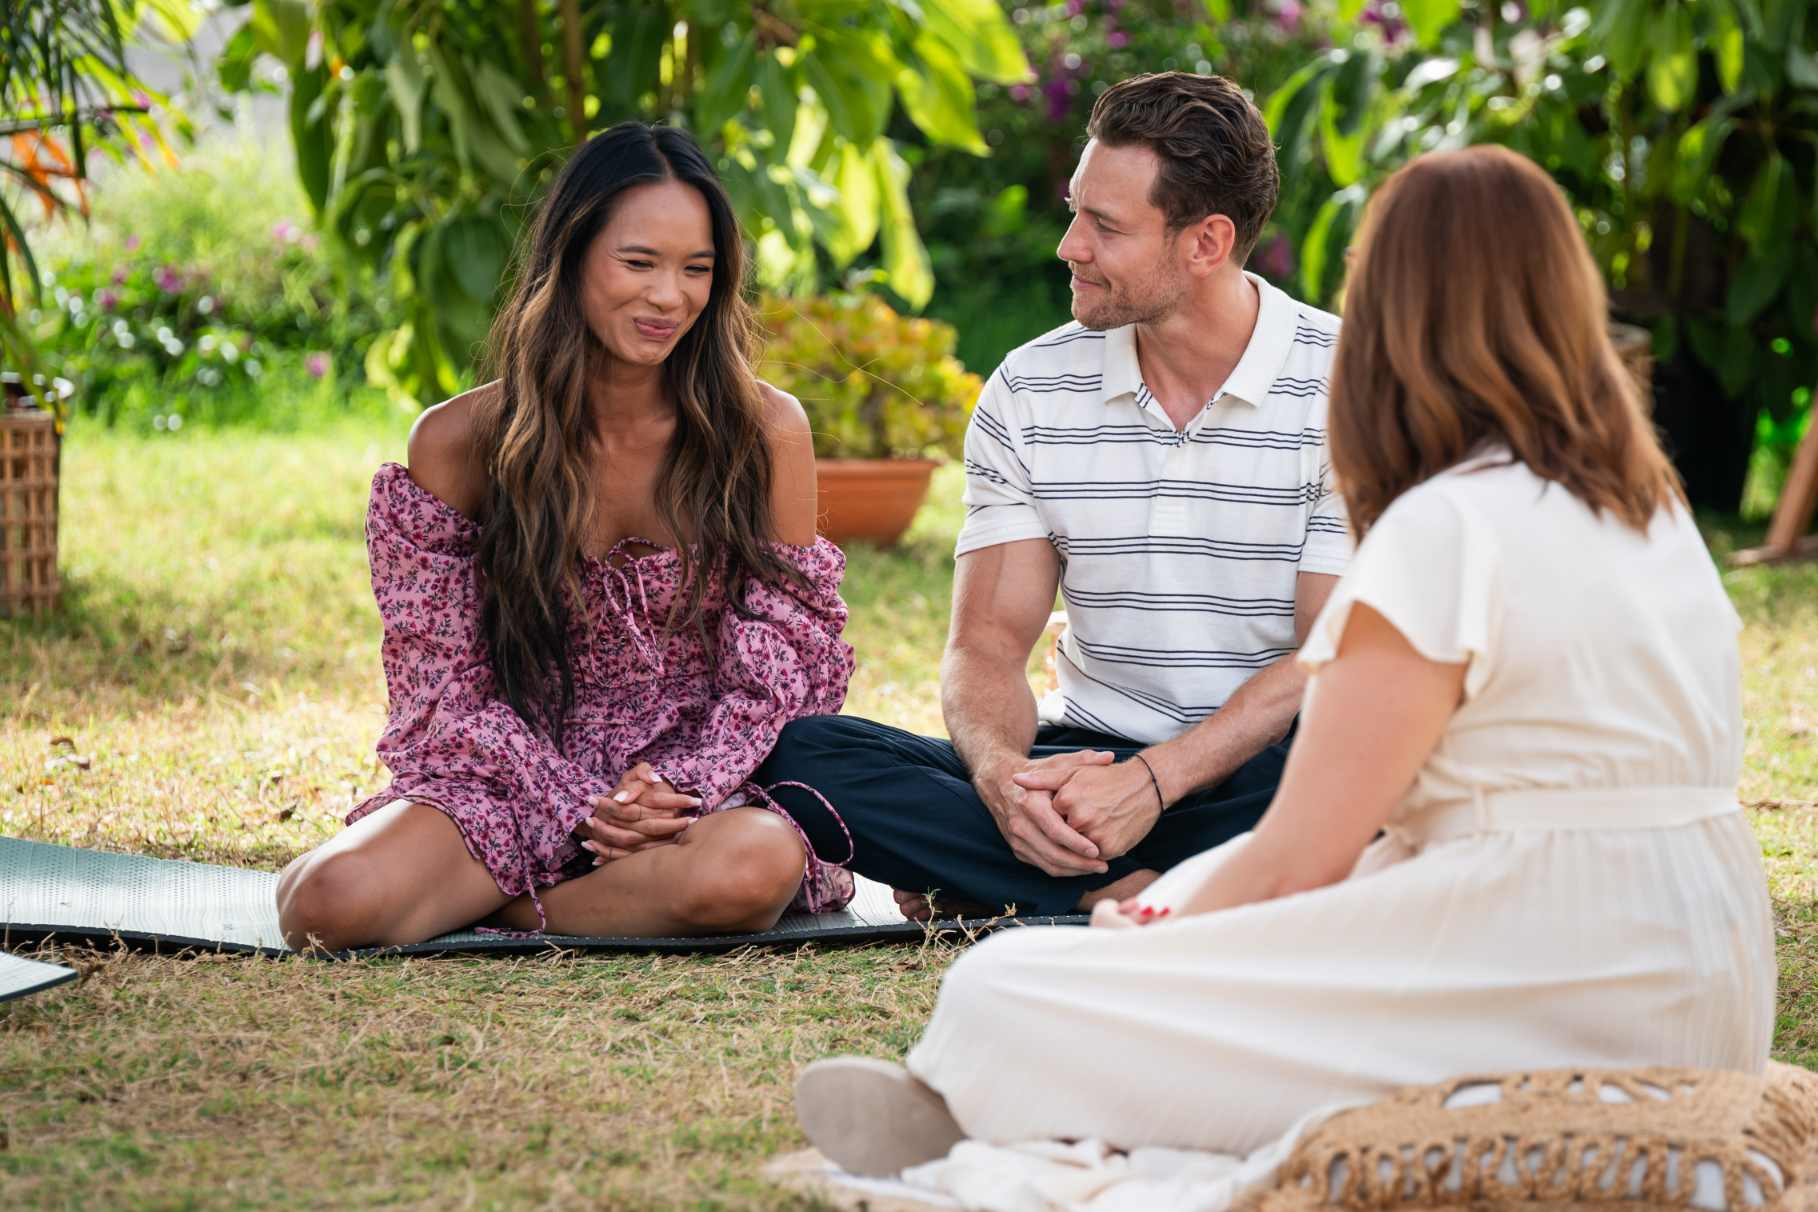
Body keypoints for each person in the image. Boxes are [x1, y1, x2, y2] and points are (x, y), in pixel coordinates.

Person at [793, 143, 1777, 1179]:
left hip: (1544, 969)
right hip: (1706, 975)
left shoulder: (1443, 522)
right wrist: (1028, 792)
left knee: (1008, 986)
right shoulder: (1647, 506)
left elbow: (1304, 855)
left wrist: (1151, 923)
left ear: (1394, 310)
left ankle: (991, 1092)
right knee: (850, 767)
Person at [757, 72, 1352, 920]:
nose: (1070, 245)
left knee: (1386, 754)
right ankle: (1124, 887)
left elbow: (1326, 655)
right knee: (801, 753)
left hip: (1265, 762)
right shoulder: (1030, 390)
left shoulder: (1349, 386)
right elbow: (987, 646)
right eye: (1075, 212)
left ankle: (1028, 883)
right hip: (1085, 764)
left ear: (1206, 242)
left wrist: (1157, 783)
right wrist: (1005, 785)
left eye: (1104, 226)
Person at [276, 123, 857, 951]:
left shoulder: (763, 430)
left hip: (700, 797)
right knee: (327, 903)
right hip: (510, 780)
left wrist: (677, 785)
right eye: (638, 263)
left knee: (750, 870)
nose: (670, 297)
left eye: (697, 270)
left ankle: (505, 909)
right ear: (572, 256)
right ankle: (585, 898)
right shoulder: (458, 441)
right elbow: (441, 689)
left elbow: (793, 664)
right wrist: (573, 803)